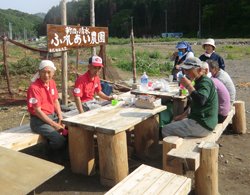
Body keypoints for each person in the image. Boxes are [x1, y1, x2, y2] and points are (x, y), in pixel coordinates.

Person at [162, 57, 218, 138]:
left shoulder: (205, 82)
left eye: (188, 70)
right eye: (184, 70)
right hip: (204, 121)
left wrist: (188, 85)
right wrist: (182, 116)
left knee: (166, 129)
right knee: (173, 122)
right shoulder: (200, 80)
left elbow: (201, 100)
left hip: (203, 124)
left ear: (199, 70)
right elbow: (194, 104)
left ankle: (177, 149)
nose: (185, 72)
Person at [27, 60, 66, 154]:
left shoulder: (51, 83)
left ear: (53, 73)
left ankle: (62, 152)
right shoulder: (34, 88)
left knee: (70, 130)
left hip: (52, 116)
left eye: (49, 72)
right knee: (59, 140)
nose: (46, 75)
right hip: (39, 121)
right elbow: (37, 111)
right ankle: (48, 153)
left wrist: (60, 117)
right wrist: (54, 124)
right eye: (43, 72)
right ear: (39, 72)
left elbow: (55, 100)